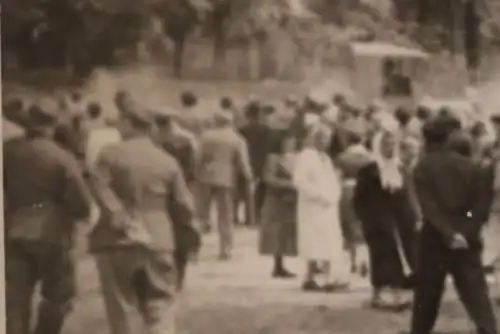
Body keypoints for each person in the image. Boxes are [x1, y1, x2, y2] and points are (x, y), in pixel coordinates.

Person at [89, 104, 195, 334]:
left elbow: (98, 186)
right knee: (160, 304)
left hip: (116, 238)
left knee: (122, 307)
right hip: (159, 237)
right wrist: (186, 233)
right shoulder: (167, 160)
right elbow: (185, 206)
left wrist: (118, 214)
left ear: (128, 124)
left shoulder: (110, 153)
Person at [4, 98, 93, 334]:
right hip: (52, 234)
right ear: (53, 125)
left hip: (13, 229)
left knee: (16, 300)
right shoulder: (61, 156)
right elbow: (81, 202)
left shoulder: (8, 150)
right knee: (58, 296)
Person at [409, 116, 498, 334]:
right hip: (466, 237)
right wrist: (465, 231)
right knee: (476, 292)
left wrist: (449, 233)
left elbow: (430, 208)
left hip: (435, 238)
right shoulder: (471, 167)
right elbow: (478, 207)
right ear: (448, 137)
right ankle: (489, 330)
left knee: (427, 295)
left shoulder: (423, 167)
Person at [353, 119, 417, 310]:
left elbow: (406, 196)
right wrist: (364, 220)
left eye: (392, 145)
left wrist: (411, 217)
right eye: (385, 145)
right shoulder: (369, 170)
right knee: (380, 256)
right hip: (376, 221)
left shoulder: (399, 169)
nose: (389, 148)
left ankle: (396, 294)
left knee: (397, 256)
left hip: (398, 221)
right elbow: (359, 198)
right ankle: (378, 294)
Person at [294, 123, 350, 292]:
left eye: (327, 139)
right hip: (312, 205)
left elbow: (332, 180)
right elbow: (300, 181)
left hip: (328, 206)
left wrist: (334, 195)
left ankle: (328, 276)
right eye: (321, 138)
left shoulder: (325, 158)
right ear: (314, 138)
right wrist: (319, 195)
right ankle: (310, 276)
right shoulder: (306, 156)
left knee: (328, 241)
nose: (324, 142)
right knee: (312, 240)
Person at [152, 108, 200, 290]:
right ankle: (179, 275)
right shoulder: (187, 140)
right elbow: (194, 167)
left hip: (164, 190)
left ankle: (168, 274)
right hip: (182, 189)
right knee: (182, 230)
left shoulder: (155, 143)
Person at [197, 111, 254, 259]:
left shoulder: (206, 136)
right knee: (226, 215)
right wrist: (249, 178)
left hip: (206, 176)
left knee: (201, 213)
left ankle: (194, 247)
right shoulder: (237, 138)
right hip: (227, 178)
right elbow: (243, 162)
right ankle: (225, 249)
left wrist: (196, 172)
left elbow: (197, 157)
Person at [259, 133, 298, 278]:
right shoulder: (273, 159)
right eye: (288, 142)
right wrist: (290, 184)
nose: (290, 146)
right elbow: (268, 178)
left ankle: (281, 265)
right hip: (275, 200)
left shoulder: (295, 158)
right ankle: (277, 266)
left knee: (286, 233)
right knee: (276, 232)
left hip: (289, 201)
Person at [336, 122, 372, 277]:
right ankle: (365, 260)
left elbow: (337, 177)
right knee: (363, 226)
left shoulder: (342, 157)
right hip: (365, 191)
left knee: (349, 228)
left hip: (346, 189)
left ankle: (353, 262)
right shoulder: (369, 157)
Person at [239, 101, 276, 225]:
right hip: (263, 163)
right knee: (261, 191)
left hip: (247, 162)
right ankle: (258, 217)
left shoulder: (242, 130)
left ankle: (248, 218)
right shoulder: (267, 130)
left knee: (245, 191)